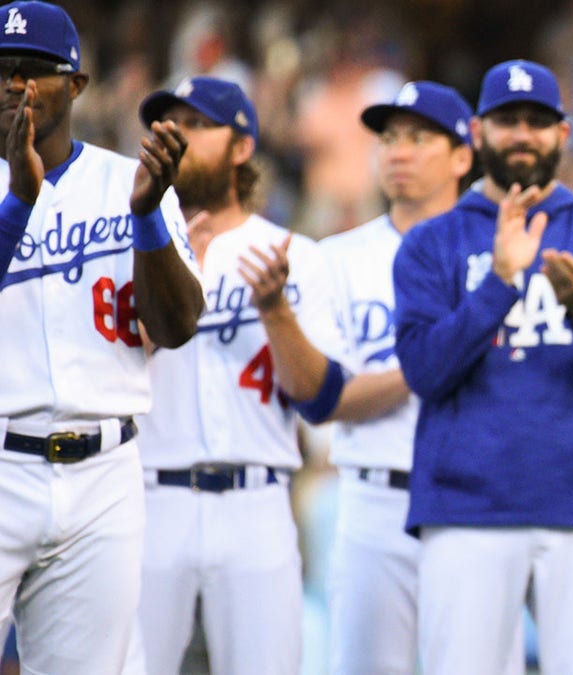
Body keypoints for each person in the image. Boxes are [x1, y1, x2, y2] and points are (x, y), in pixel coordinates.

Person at [392, 59, 573, 675]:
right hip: (465, 509)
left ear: (563, 134)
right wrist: (500, 283)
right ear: (478, 133)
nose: (522, 134)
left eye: (536, 122)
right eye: (507, 120)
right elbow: (425, 374)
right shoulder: (430, 243)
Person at [0, 2, 203, 673]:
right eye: (2, 70)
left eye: (33, 71)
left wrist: (146, 217)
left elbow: (175, 327)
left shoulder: (131, 183)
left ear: (77, 85)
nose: (13, 85)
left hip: (103, 474)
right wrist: (18, 207)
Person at [130, 76, 350, 675]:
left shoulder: (291, 252)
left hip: (257, 502)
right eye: (170, 124)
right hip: (151, 498)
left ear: (243, 147)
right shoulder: (130, 245)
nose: (180, 137)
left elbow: (321, 399)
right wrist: (169, 278)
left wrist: (275, 309)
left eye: (200, 124)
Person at [320, 81, 480, 675]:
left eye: (418, 137)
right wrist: (439, 355)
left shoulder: (499, 254)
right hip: (371, 496)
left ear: (463, 156)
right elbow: (326, 396)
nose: (398, 151)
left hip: (474, 498)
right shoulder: (335, 257)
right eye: (387, 138)